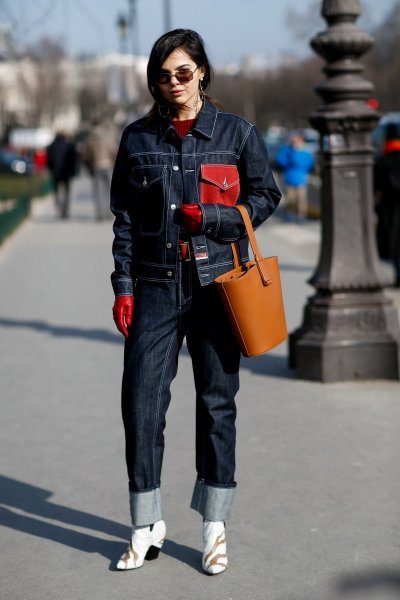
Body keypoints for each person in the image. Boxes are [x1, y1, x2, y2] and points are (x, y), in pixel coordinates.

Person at [110, 29, 281, 575]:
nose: (174, 83)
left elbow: (265, 195)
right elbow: (126, 221)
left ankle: (214, 525)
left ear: (202, 72)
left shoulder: (236, 132)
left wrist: (215, 218)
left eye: (183, 72)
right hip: (157, 287)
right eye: (163, 75)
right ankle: (146, 523)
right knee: (140, 405)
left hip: (218, 286)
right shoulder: (137, 138)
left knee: (216, 404)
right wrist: (123, 288)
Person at [374, 124, 400, 287]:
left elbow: (376, 185)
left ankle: (398, 274)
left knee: (394, 244)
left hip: (390, 207)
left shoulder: (384, 160)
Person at [82, 117, 117, 221]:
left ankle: (99, 214)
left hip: (96, 166)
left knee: (97, 191)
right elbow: (114, 151)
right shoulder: (108, 136)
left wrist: (89, 164)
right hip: (108, 166)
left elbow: (87, 155)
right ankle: (109, 212)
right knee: (109, 191)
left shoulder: (90, 138)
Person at [276, 131, 314, 221]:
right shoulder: (288, 151)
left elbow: (309, 164)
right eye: (294, 141)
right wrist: (290, 158)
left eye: (297, 141)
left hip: (301, 179)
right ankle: (290, 214)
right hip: (290, 178)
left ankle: (301, 216)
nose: (295, 143)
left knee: (302, 199)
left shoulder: (306, 152)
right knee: (290, 199)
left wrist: (296, 159)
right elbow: (280, 160)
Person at [46, 132, 77, 219]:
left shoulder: (51, 146)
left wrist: (50, 169)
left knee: (56, 192)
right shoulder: (69, 145)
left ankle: (59, 207)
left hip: (55, 172)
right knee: (67, 192)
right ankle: (65, 209)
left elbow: (49, 160)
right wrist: (73, 171)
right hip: (67, 173)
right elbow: (73, 160)